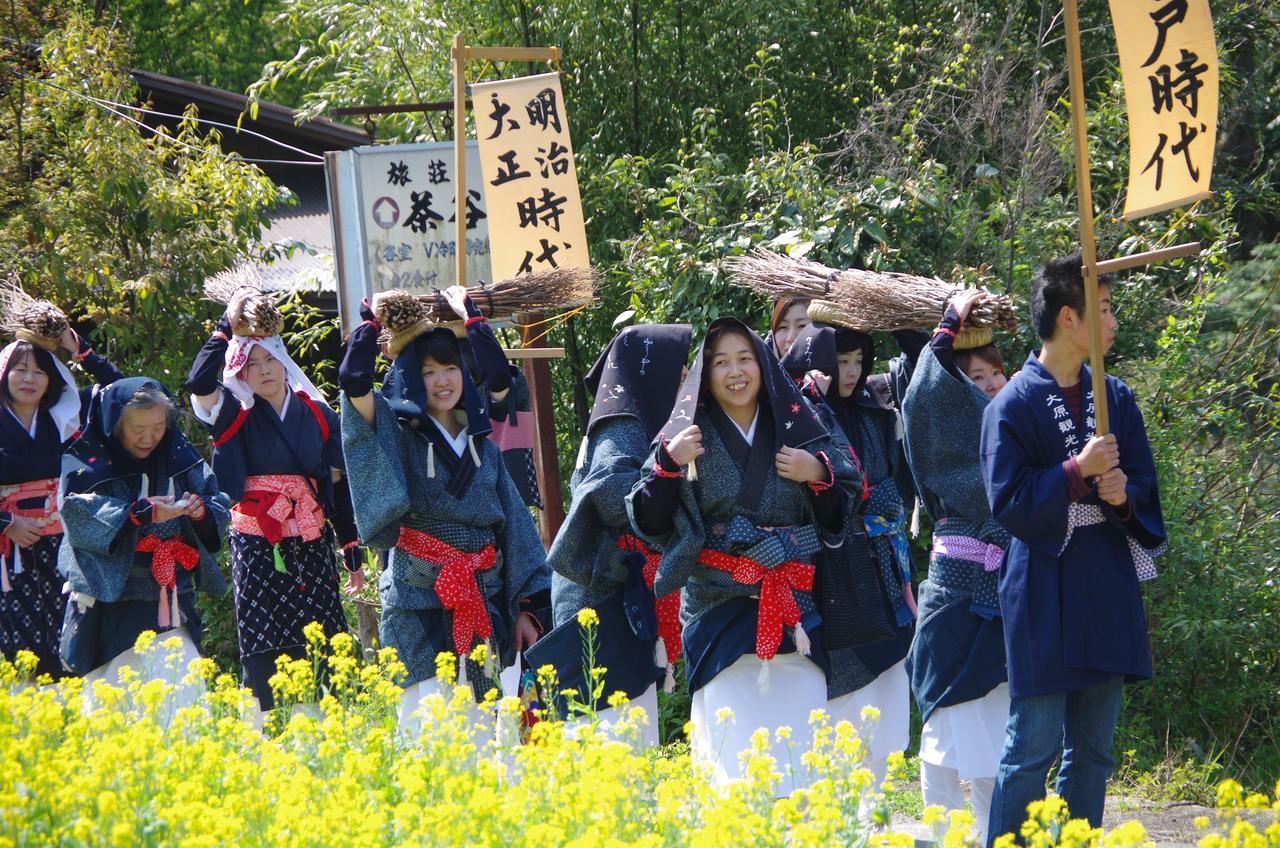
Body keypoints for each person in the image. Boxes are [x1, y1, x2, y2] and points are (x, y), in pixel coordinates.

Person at [627, 317, 856, 793]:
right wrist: (669, 465)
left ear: (764, 364)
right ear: (704, 375)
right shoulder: (686, 433)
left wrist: (818, 472)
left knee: (804, 763)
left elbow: (844, 505)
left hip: (797, 610)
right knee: (736, 767)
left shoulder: (796, 423)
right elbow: (648, 523)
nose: (735, 372)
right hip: (719, 609)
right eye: (721, 362)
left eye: (745, 359)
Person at [980, 256, 1166, 842]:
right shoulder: (1008, 406)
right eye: (1104, 309)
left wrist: (1121, 494)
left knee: (1092, 751)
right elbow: (1006, 501)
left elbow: (1145, 488)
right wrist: (1074, 470)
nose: (1113, 322)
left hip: (1105, 578)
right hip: (1043, 581)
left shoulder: (1115, 396)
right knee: (1031, 746)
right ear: (1069, 317)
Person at [338, 289, 548, 733]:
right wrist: (371, 322)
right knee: (429, 731)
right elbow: (354, 380)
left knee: (492, 727)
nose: (442, 381)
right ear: (411, 376)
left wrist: (528, 607)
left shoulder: (482, 449)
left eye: (450, 368)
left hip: (485, 601)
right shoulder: (395, 432)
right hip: (419, 605)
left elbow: (516, 529)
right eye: (428, 371)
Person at [186, 281, 362, 711]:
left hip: (310, 534)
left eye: (271, 360)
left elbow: (336, 484)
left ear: (284, 361)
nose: (264, 370)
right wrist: (225, 326)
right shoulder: (235, 414)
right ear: (240, 371)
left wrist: (351, 544)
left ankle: (328, 718)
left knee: (323, 628)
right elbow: (197, 381)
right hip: (257, 538)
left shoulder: (318, 415)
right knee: (265, 631)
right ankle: (265, 725)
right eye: (253, 363)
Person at [534, 324, 692, 745]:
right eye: (676, 370)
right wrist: (666, 468)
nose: (684, 379)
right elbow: (608, 494)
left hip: (613, 596)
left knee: (624, 728)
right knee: (606, 731)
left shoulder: (634, 421)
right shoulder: (621, 424)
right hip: (598, 601)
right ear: (650, 374)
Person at [780, 322, 916, 794]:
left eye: (859, 360)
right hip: (832, 569)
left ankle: (871, 807)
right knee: (839, 694)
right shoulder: (800, 412)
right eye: (841, 360)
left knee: (885, 691)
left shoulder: (876, 407)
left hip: (882, 559)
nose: (851, 371)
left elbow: (897, 481)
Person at [900, 291, 1012, 843]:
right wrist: (945, 327)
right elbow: (923, 395)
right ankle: (938, 837)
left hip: (1009, 592)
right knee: (943, 727)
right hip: (953, 590)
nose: (990, 384)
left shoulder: (1021, 422)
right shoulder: (937, 421)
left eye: (996, 372)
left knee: (998, 733)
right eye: (976, 376)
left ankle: (995, 836)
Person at [58, 378, 229, 692]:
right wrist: (138, 514)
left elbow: (217, 501)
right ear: (115, 423)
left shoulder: (179, 456)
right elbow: (76, 513)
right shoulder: (86, 462)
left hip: (172, 592)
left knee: (181, 686)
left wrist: (198, 510)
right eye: (138, 429)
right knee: (117, 694)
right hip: (115, 601)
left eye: (158, 426)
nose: (149, 437)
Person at [0, 302, 123, 679]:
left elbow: (122, 394)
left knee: (67, 638)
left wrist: (80, 350)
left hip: (63, 546)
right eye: (20, 369)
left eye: (40, 371)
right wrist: (6, 522)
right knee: (14, 647)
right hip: (9, 548)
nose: (29, 379)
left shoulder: (64, 419)